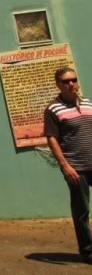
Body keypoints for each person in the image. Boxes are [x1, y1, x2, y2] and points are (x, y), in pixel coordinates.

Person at [44, 66, 92, 263]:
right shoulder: (53, 108)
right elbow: (51, 138)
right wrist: (65, 166)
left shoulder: (88, 103)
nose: (71, 84)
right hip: (76, 168)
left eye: (73, 79)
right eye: (66, 81)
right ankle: (88, 251)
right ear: (58, 85)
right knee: (81, 211)